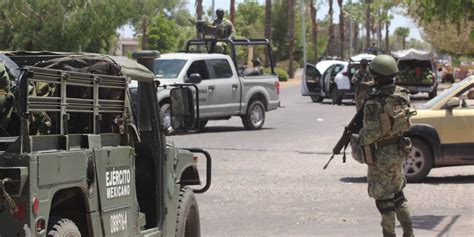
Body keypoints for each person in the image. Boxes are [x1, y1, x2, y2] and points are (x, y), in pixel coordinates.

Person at [353, 55, 415, 237]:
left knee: (384, 201)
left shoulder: (375, 100)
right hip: (398, 151)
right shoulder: (402, 95)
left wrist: (357, 139)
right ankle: (409, 233)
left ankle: (389, 234)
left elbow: (371, 133)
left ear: (376, 75)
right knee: (398, 196)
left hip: (380, 156)